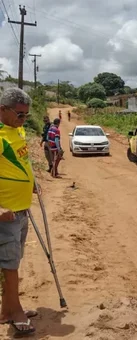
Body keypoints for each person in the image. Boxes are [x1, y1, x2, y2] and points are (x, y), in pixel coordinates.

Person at [0, 88, 37, 336]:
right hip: (7, 213)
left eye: (26, 114)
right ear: (2, 110)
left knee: (14, 261)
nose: (24, 119)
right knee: (10, 265)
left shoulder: (17, 130)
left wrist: (33, 181)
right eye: (19, 114)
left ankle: (5, 310)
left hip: (22, 210)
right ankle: (15, 312)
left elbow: (22, 162)